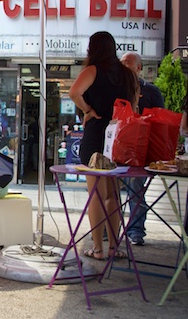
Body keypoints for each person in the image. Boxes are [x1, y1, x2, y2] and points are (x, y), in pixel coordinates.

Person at [69, 31, 138, 261]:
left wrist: (88, 110)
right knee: (113, 195)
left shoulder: (92, 70)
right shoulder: (129, 75)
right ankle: (113, 247)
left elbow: (74, 92)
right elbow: (134, 107)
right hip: (119, 137)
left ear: (93, 48)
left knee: (96, 194)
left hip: (97, 134)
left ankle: (98, 248)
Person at [121, 51, 165, 246]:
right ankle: (107, 230)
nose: (124, 64)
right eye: (121, 61)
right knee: (108, 190)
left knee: (136, 189)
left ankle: (136, 231)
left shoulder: (151, 91)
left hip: (140, 150)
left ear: (139, 67)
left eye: (128, 62)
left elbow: (160, 121)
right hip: (118, 147)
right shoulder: (116, 88)